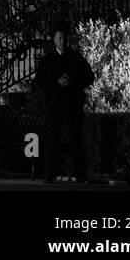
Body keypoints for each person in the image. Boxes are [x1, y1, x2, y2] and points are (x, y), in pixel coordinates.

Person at [36, 27, 95, 184]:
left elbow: (89, 76)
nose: (63, 41)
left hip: (72, 103)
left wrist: (72, 81)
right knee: (52, 139)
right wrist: (56, 83)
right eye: (60, 38)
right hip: (55, 104)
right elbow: (40, 81)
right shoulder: (48, 60)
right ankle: (49, 174)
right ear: (54, 40)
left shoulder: (76, 58)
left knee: (76, 139)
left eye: (64, 38)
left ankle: (80, 174)